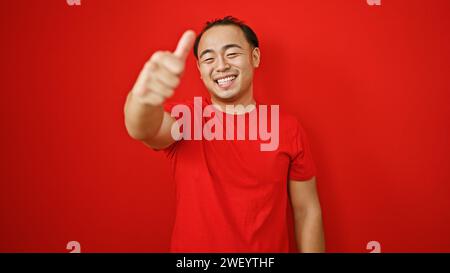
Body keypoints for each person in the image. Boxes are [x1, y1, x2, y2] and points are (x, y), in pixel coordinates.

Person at [124, 16, 325, 253]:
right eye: (209, 58)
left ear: (255, 57)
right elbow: (144, 128)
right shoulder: (186, 117)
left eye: (231, 54)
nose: (221, 66)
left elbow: (307, 210)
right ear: (200, 70)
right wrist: (143, 98)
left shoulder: (288, 128)